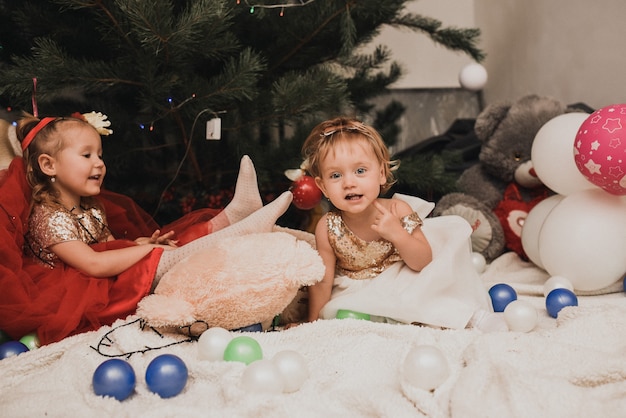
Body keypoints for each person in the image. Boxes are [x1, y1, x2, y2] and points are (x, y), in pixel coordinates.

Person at [8, 112, 293, 344]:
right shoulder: (48, 216)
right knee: (153, 258)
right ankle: (240, 229)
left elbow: (107, 245)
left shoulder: (91, 206)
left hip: (103, 275)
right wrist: (144, 250)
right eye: (87, 156)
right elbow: (93, 263)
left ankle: (232, 218)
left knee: (169, 241)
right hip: (74, 297)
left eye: (100, 155)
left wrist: (141, 243)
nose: (99, 163)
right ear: (48, 165)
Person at [292, 116, 504, 331]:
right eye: (336, 175)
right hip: (358, 291)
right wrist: (312, 323)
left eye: (360, 171)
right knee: (347, 319)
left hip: (401, 278)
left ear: (381, 174)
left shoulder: (398, 210)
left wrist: (397, 234)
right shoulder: (327, 227)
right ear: (323, 187)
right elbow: (323, 281)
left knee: (427, 292)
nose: (349, 183)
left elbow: (422, 262)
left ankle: (471, 317)